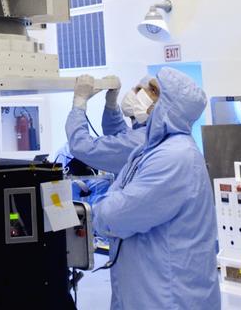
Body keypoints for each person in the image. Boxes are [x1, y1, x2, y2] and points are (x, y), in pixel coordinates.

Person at [90, 67, 220, 310]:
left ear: (169, 105)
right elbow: (116, 201)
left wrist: (103, 210)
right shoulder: (146, 151)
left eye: (151, 90)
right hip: (147, 291)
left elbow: (115, 215)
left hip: (169, 297)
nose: (140, 93)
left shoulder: (174, 157)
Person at [67, 75, 157, 174]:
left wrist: (79, 102)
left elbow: (82, 147)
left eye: (152, 90)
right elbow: (120, 134)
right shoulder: (151, 133)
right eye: (137, 88)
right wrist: (111, 104)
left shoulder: (141, 141)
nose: (134, 92)